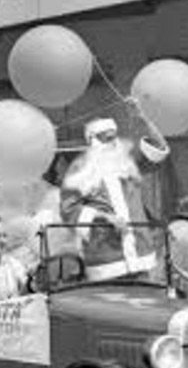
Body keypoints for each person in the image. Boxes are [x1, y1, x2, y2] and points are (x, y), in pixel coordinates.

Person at [59, 112, 170, 282]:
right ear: (93, 140)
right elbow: (69, 209)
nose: (113, 143)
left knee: (144, 304)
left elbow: (159, 151)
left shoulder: (127, 163)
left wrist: (143, 119)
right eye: (106, 138)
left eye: (114, 137)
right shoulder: (80, 169)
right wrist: (104, 217)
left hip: (140, 252)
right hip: (106, 256)